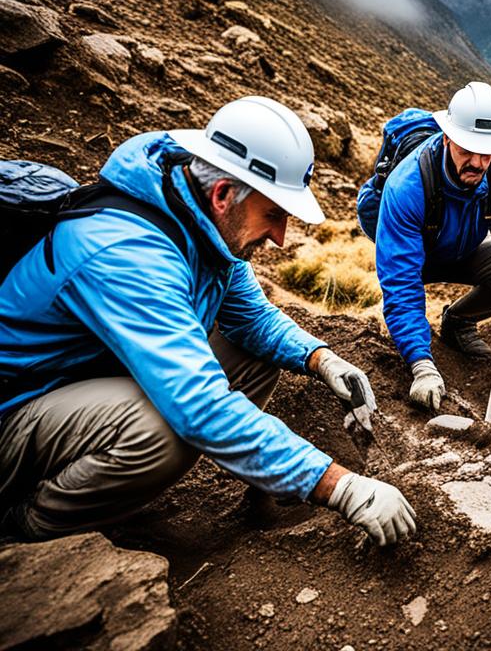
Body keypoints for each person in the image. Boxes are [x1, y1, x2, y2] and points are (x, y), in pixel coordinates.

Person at [0, 96, 415, 546]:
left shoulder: (202, 223)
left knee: (253, 354)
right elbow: (198, 403)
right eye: (274, 215)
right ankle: (31, 528)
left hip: (83, 385)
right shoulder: (126, 253)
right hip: (18, 408)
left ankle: (236, 473)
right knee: (163, 430)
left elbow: (252, 319)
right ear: (222, 195)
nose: (279, 237)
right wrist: (340, 486)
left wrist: (322, 359)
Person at [375, 82, 491, 410]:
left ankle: (458, 321)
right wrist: (421, 365)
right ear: (447, 138)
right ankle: (422, 345)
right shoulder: (406, 186)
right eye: (467, 149)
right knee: (403, 292)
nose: (477, 162)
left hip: (466, 250)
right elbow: (401, 287)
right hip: (416, 256)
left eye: (486, 152)